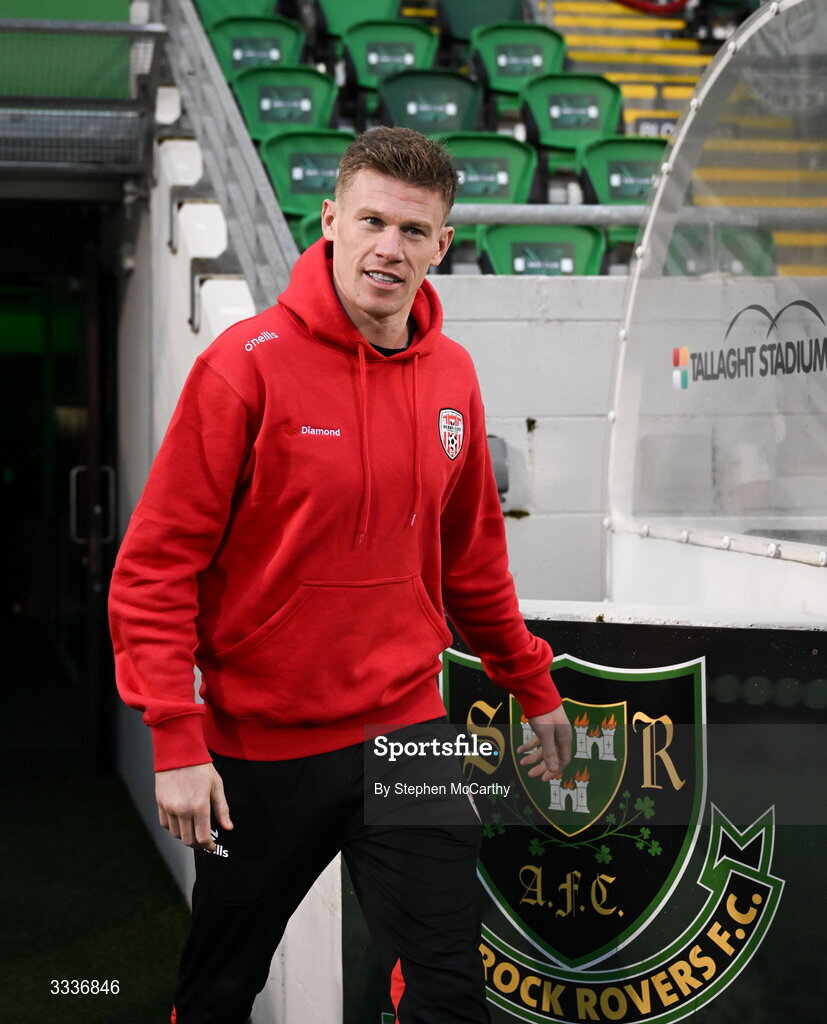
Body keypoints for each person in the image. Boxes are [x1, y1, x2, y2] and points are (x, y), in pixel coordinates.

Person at [109, 126, 572, 1024]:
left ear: (443, 245)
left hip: (409, 727)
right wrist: (175, 733)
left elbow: (471, 558)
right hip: (260, 744)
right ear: (330, 222)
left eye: (413, 231)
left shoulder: (454, 374)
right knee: (220, 989)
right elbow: (155, 568)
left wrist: (532, 682)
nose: (388, 249)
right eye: (370, 222)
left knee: (448, 983)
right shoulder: (243, 366)